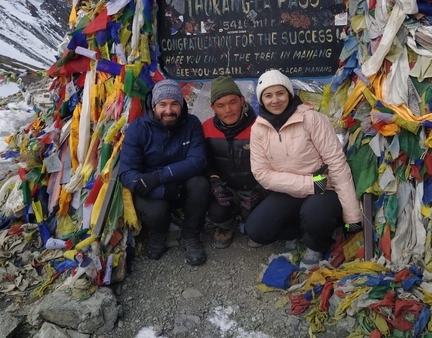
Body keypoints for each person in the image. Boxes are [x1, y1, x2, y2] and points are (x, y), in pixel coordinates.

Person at [245, 69, 363, 270]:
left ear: (290, 94)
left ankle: (315, 244)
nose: (275, 100)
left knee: (315, 212)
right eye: (268, 95)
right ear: (261, 99)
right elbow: (262, 174)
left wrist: (353, 218)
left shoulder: (312, 119)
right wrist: (311, 184)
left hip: (324, 189)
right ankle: (294, 233)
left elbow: (337, 164)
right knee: (255, 230)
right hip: (299, 187)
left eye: (280, 93)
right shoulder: (259, 128)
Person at [119, 79, 209, 266]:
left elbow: (198, 160)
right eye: (163, 104)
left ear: (181, 104)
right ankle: (159, 232)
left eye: (174, 104)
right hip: (152, 188)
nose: (169, 110)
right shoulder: (138, 129)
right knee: (156, 211)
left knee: (200, 184)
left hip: (180, 184)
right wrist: (161, 190)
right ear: (153, 106)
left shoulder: (191, 124)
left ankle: (191, 234)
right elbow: (127, 172)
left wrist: (160, 176)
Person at [202, 76, 265, 248]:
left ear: (242, 101)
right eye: (220, 105)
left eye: (233, 102)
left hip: (254, 188)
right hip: (227, 188)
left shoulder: (260, 127)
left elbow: (274, 163)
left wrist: (260, 189)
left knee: (255, 219)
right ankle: (226, 226)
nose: (228, 110)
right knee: (217, 211)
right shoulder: (206, 128)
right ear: (213, 107)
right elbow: (204, 161)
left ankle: (253, 223)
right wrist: (214, 182)